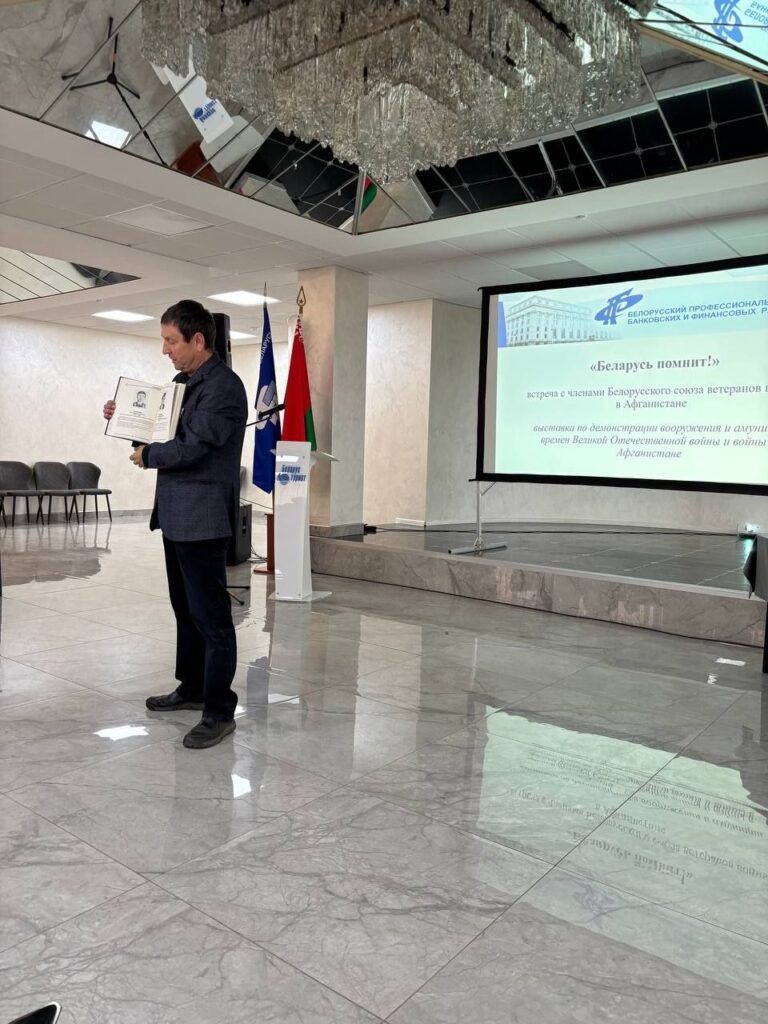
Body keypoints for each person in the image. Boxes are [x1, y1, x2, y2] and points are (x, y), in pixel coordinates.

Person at [103, 300, 248, 749]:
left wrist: (148, 455)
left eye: (171, 341)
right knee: (184, 609)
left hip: (202, 518)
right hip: (176, 515)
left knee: (212, 617)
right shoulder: (181, 384)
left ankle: (219, 710)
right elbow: (161, 434)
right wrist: (125, 420)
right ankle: (192, 687)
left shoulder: (223, 387)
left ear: (197, 340)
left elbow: (192, 448)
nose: (165, 349)